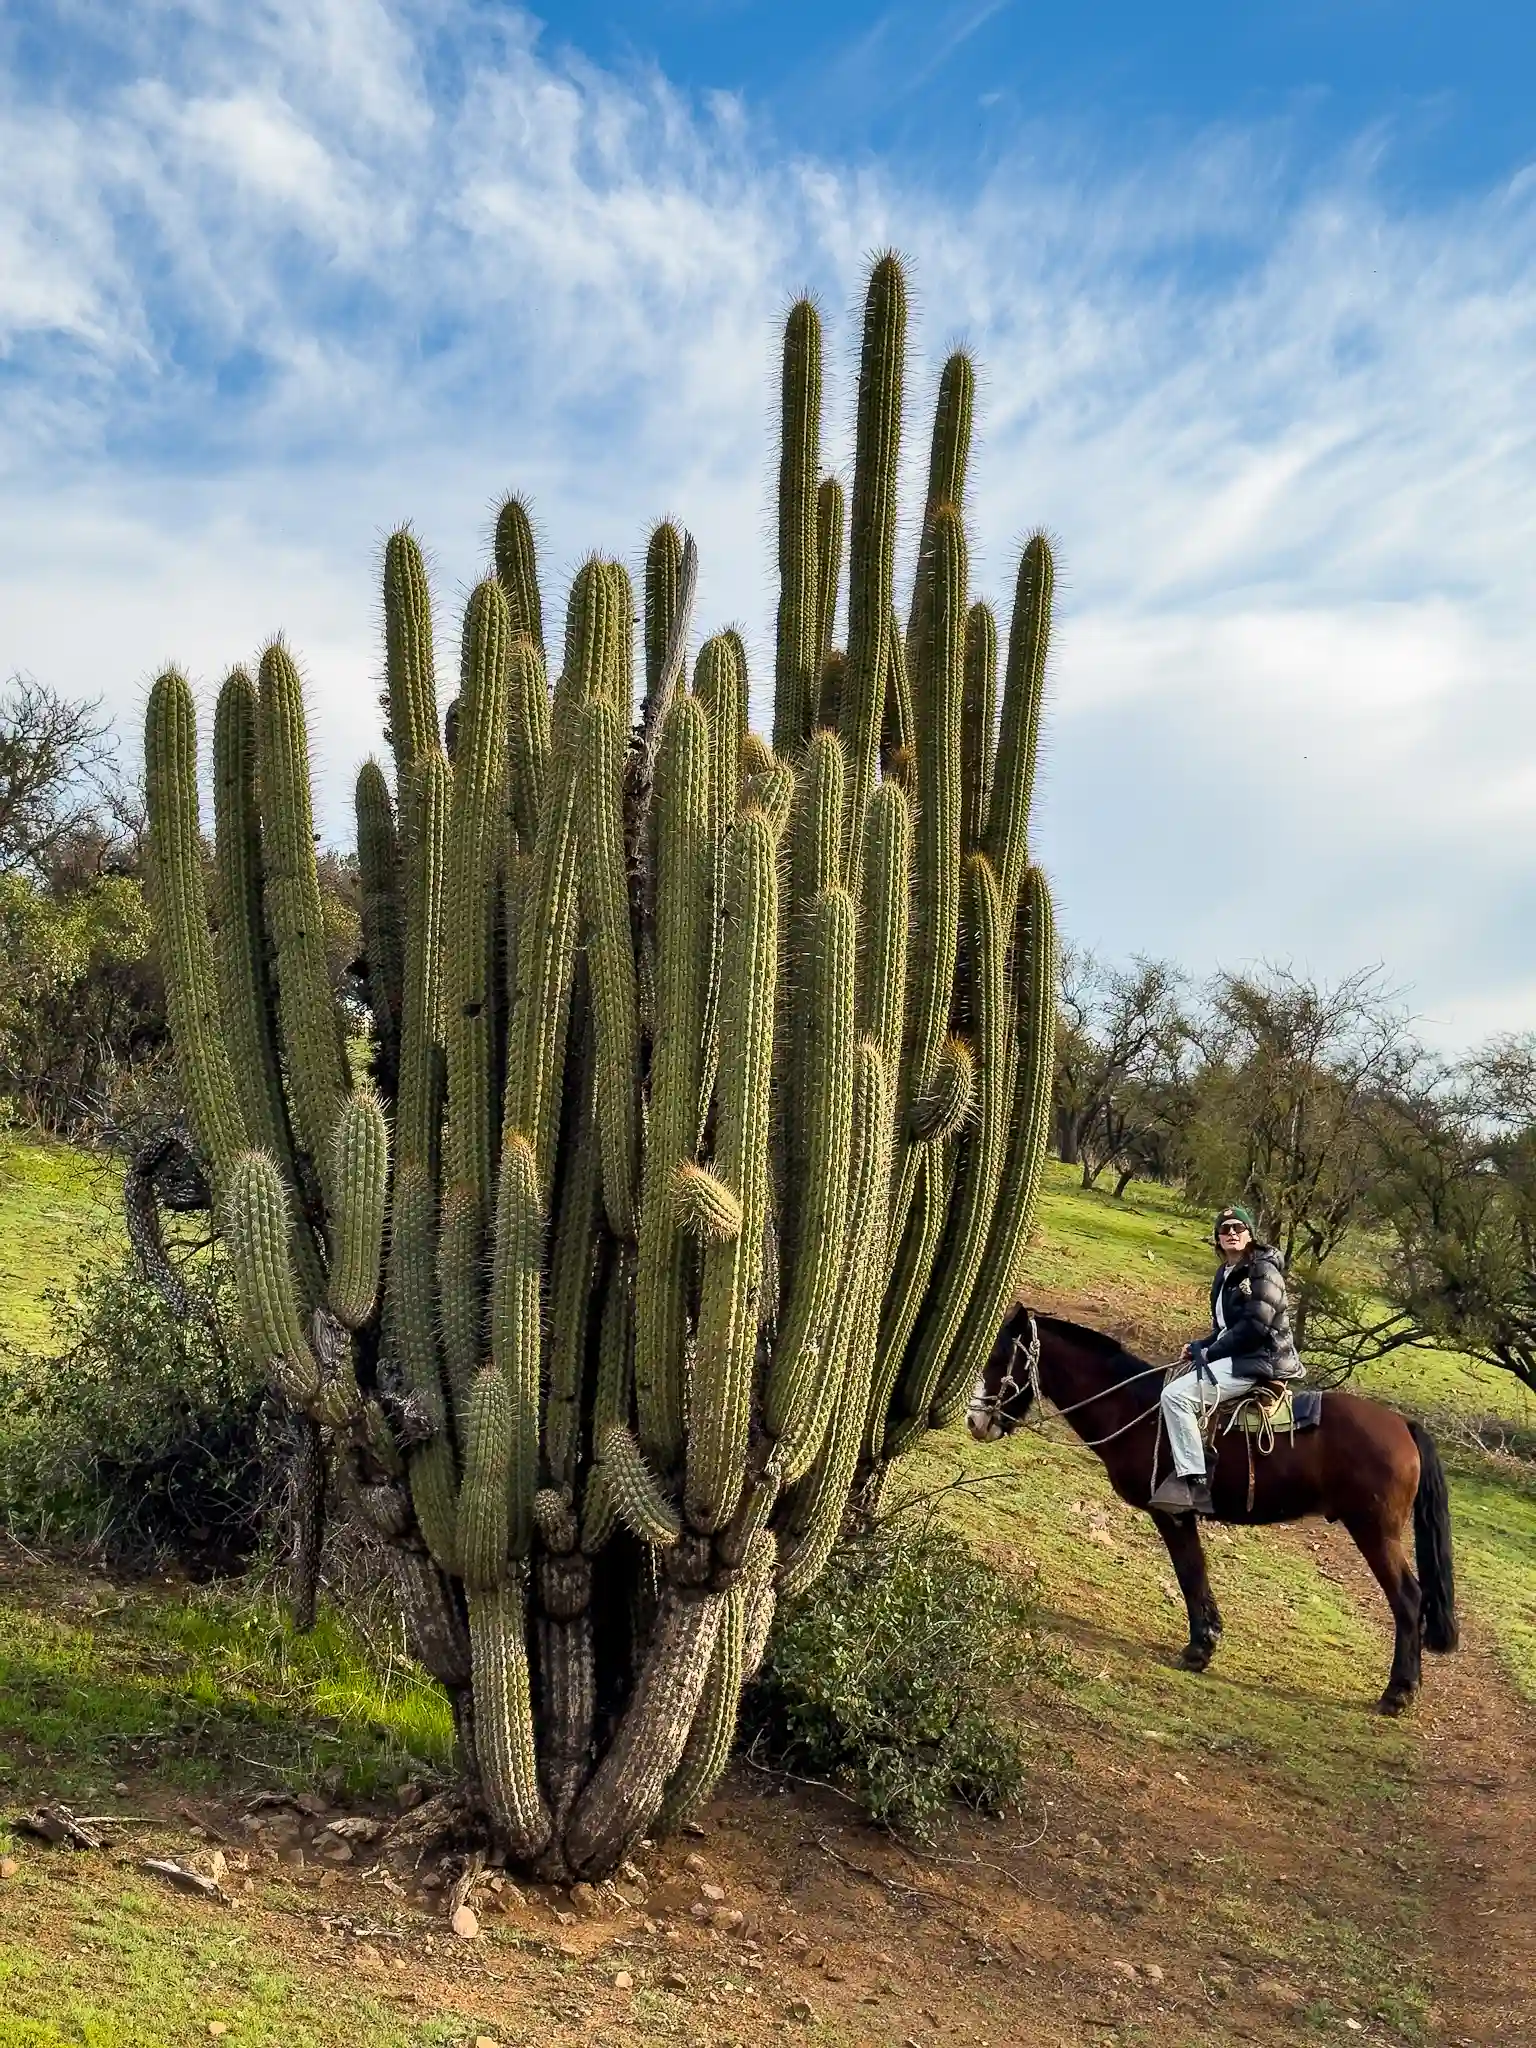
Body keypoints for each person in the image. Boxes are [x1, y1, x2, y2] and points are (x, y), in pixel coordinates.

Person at [1148, 1205, 1302, 1516]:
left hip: (1259, 1361)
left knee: (1175, 1396)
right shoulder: (1225, 1273)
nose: (1232, 1233)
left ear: (1250, 1234)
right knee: (1178, 1384)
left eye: (1238, 1228)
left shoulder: (1263, 1271)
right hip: (1238, 1355)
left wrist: (1210, 1353)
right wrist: (1199, 1346)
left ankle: (1194, 1481)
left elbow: (1256, 1328)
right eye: (1225, 1229)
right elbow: (1224, 1330)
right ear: (1218, 1239)